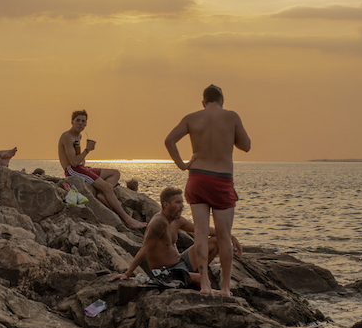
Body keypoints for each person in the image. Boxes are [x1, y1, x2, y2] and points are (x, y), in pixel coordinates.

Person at [164, 84, 251, 295]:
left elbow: (169, 141)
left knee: (201, 234)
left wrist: (182, 165)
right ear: (222, 100)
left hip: (198, 177)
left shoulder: (192, 118)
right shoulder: (231, 117)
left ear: (203, 102)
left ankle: (204, 285)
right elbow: (246, 145)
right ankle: (225, 288)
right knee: (224, 236)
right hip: (222, 180)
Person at [111, 186, 242, 288]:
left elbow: (201, 230)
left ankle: (197, 274)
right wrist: (128, 274)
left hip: (182, 261)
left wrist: (229, 236)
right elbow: (144, 249)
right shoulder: (158, 223)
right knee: (204, 281)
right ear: (166, 204)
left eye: (182, 202)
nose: (182, 206)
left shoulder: (176, 220)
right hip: (169, 271)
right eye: (178, 202)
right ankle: (198, 279)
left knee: (216, 241)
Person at [57, 109, 147, 229]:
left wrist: (85, 162)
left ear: (86, 124)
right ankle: (128, 220)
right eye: (77, 120)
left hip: (81, 167)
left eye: (83, 121)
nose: (80, 123)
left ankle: (102, 194)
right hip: (72, 170)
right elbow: (73, 162)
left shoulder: (79, 135)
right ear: (72, 121)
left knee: (115, 173)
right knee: (108, 187)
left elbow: (78, 159)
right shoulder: (67, 137)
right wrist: (87, 150)